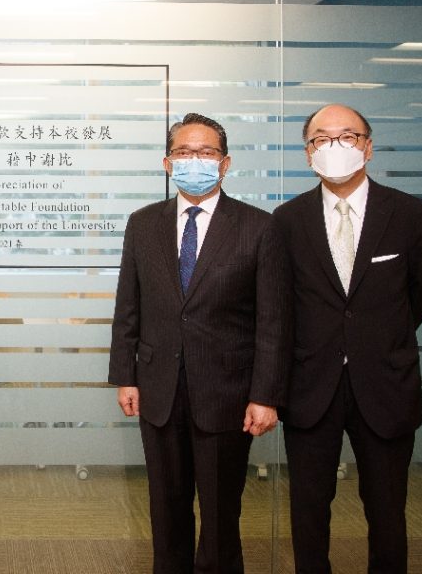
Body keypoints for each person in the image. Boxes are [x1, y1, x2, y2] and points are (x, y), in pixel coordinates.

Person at [109, 112, 291, 574]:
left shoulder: (259, 227)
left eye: (207, 153)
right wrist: (125, 376)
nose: (196, 161)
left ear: (225, 163)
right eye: (185, 153)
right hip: (158, 389)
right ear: (168, 163)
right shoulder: (143, 224)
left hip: (228, 394)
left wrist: (265, 395)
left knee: (220, 514)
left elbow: (273, 320)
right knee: (166, 509)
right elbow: (128, 306)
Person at [272, 104, 422, 574]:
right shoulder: (287, 220)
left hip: (385, 385)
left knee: (387, 514)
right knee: (308, 514)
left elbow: (419, 296)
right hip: (311, 387)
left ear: (367, 145)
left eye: (347, 136)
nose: (334, 147)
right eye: (321, 139)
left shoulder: (408, 214)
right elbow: (283, 305)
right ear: (308, 154)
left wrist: (376, 342)